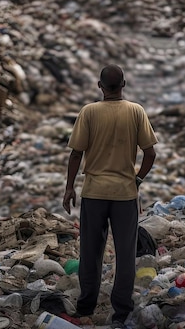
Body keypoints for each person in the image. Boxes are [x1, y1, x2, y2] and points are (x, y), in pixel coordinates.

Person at [63, 64, 157, 328]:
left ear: (99, 86)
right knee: (125, 253)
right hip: (125, 194)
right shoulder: (136, 111)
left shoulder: (89, 112)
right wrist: (137, 179)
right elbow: (150, 154)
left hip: (94, 193)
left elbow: (75, 154)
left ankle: (85, 306)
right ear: (124, 84)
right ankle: (121, 311)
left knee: (90, 251)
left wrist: (69, 188)